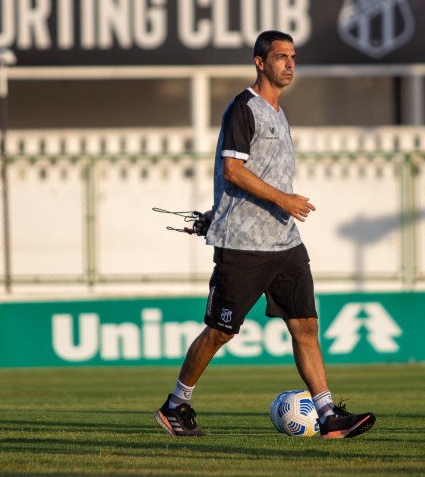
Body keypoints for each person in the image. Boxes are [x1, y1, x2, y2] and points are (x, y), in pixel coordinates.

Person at [154, 30, 376, 439]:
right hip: (244, 246)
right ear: (260, 62)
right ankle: (176, 405)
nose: (290, 63)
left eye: (293, 57)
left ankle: (328, 416)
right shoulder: (244, 108)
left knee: (305, 325)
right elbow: (233, 171)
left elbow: (252, 175)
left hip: (285, 243)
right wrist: (283, 200)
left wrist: (219, 210)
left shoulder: (279, 111)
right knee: (221, 331)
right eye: (281, 57)